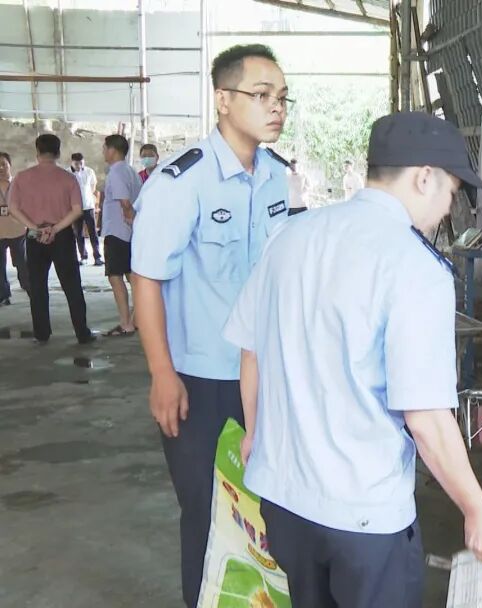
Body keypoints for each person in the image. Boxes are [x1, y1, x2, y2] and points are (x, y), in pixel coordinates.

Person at [222, 111, 482, 607]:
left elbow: (252, 350)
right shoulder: (414, 266)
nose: (448, 210)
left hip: (285, 502)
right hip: (363, 518)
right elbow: (425, 419)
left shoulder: (290, 235)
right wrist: (476, 507)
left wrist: (255, 433)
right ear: (425, 177)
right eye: (451, 193)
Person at [130, 43, 291, 608]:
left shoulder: (276, 178)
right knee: (205, 512)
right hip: (200, 379)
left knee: (268, 509)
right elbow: (146, 279)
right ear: (223, 101)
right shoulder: (181, 183)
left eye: (282, 98)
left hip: (265, 377)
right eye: (262, 95)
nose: (276, 108)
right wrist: (161, 373)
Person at [6, 135, 95, 345]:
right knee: (72, 285)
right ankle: (82, 332)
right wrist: (54, 229)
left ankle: (42, 333)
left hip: (34, 234)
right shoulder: (68, 178)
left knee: (37, 286)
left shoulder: (22, 177)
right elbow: (76, 210)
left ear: (37, 152)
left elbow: (13, 208)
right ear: (58, 152)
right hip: (61, 234)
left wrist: (36, 228)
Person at [101, 134, 142, 337]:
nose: (103, 152)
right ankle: (137, 319)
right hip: (130, 234)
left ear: (113, 150)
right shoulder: (131, 171)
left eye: (104, 148)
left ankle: (126, 323)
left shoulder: (116, 173)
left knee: (115, 277)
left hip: (117, 232)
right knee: (131, 277)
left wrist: (128, 216)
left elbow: (124, 202)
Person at [0, 151, 29, 305]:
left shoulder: (18, 185)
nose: (1, 168)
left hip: (18, 231)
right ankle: (3, 294)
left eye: (3, 164)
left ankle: (28, 286)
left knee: (22, 263)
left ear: (10, 166)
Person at [70, 152, 103, 266]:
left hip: (88, 206)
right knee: (78, 233)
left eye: (81, 163)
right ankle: (83, 256)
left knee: (93, 232)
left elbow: (93, 186)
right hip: (75, 208)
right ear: (72, 163)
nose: (79, 166)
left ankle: (97, 256)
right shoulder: (68, 173)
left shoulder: (89, 171)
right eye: (76, 163)